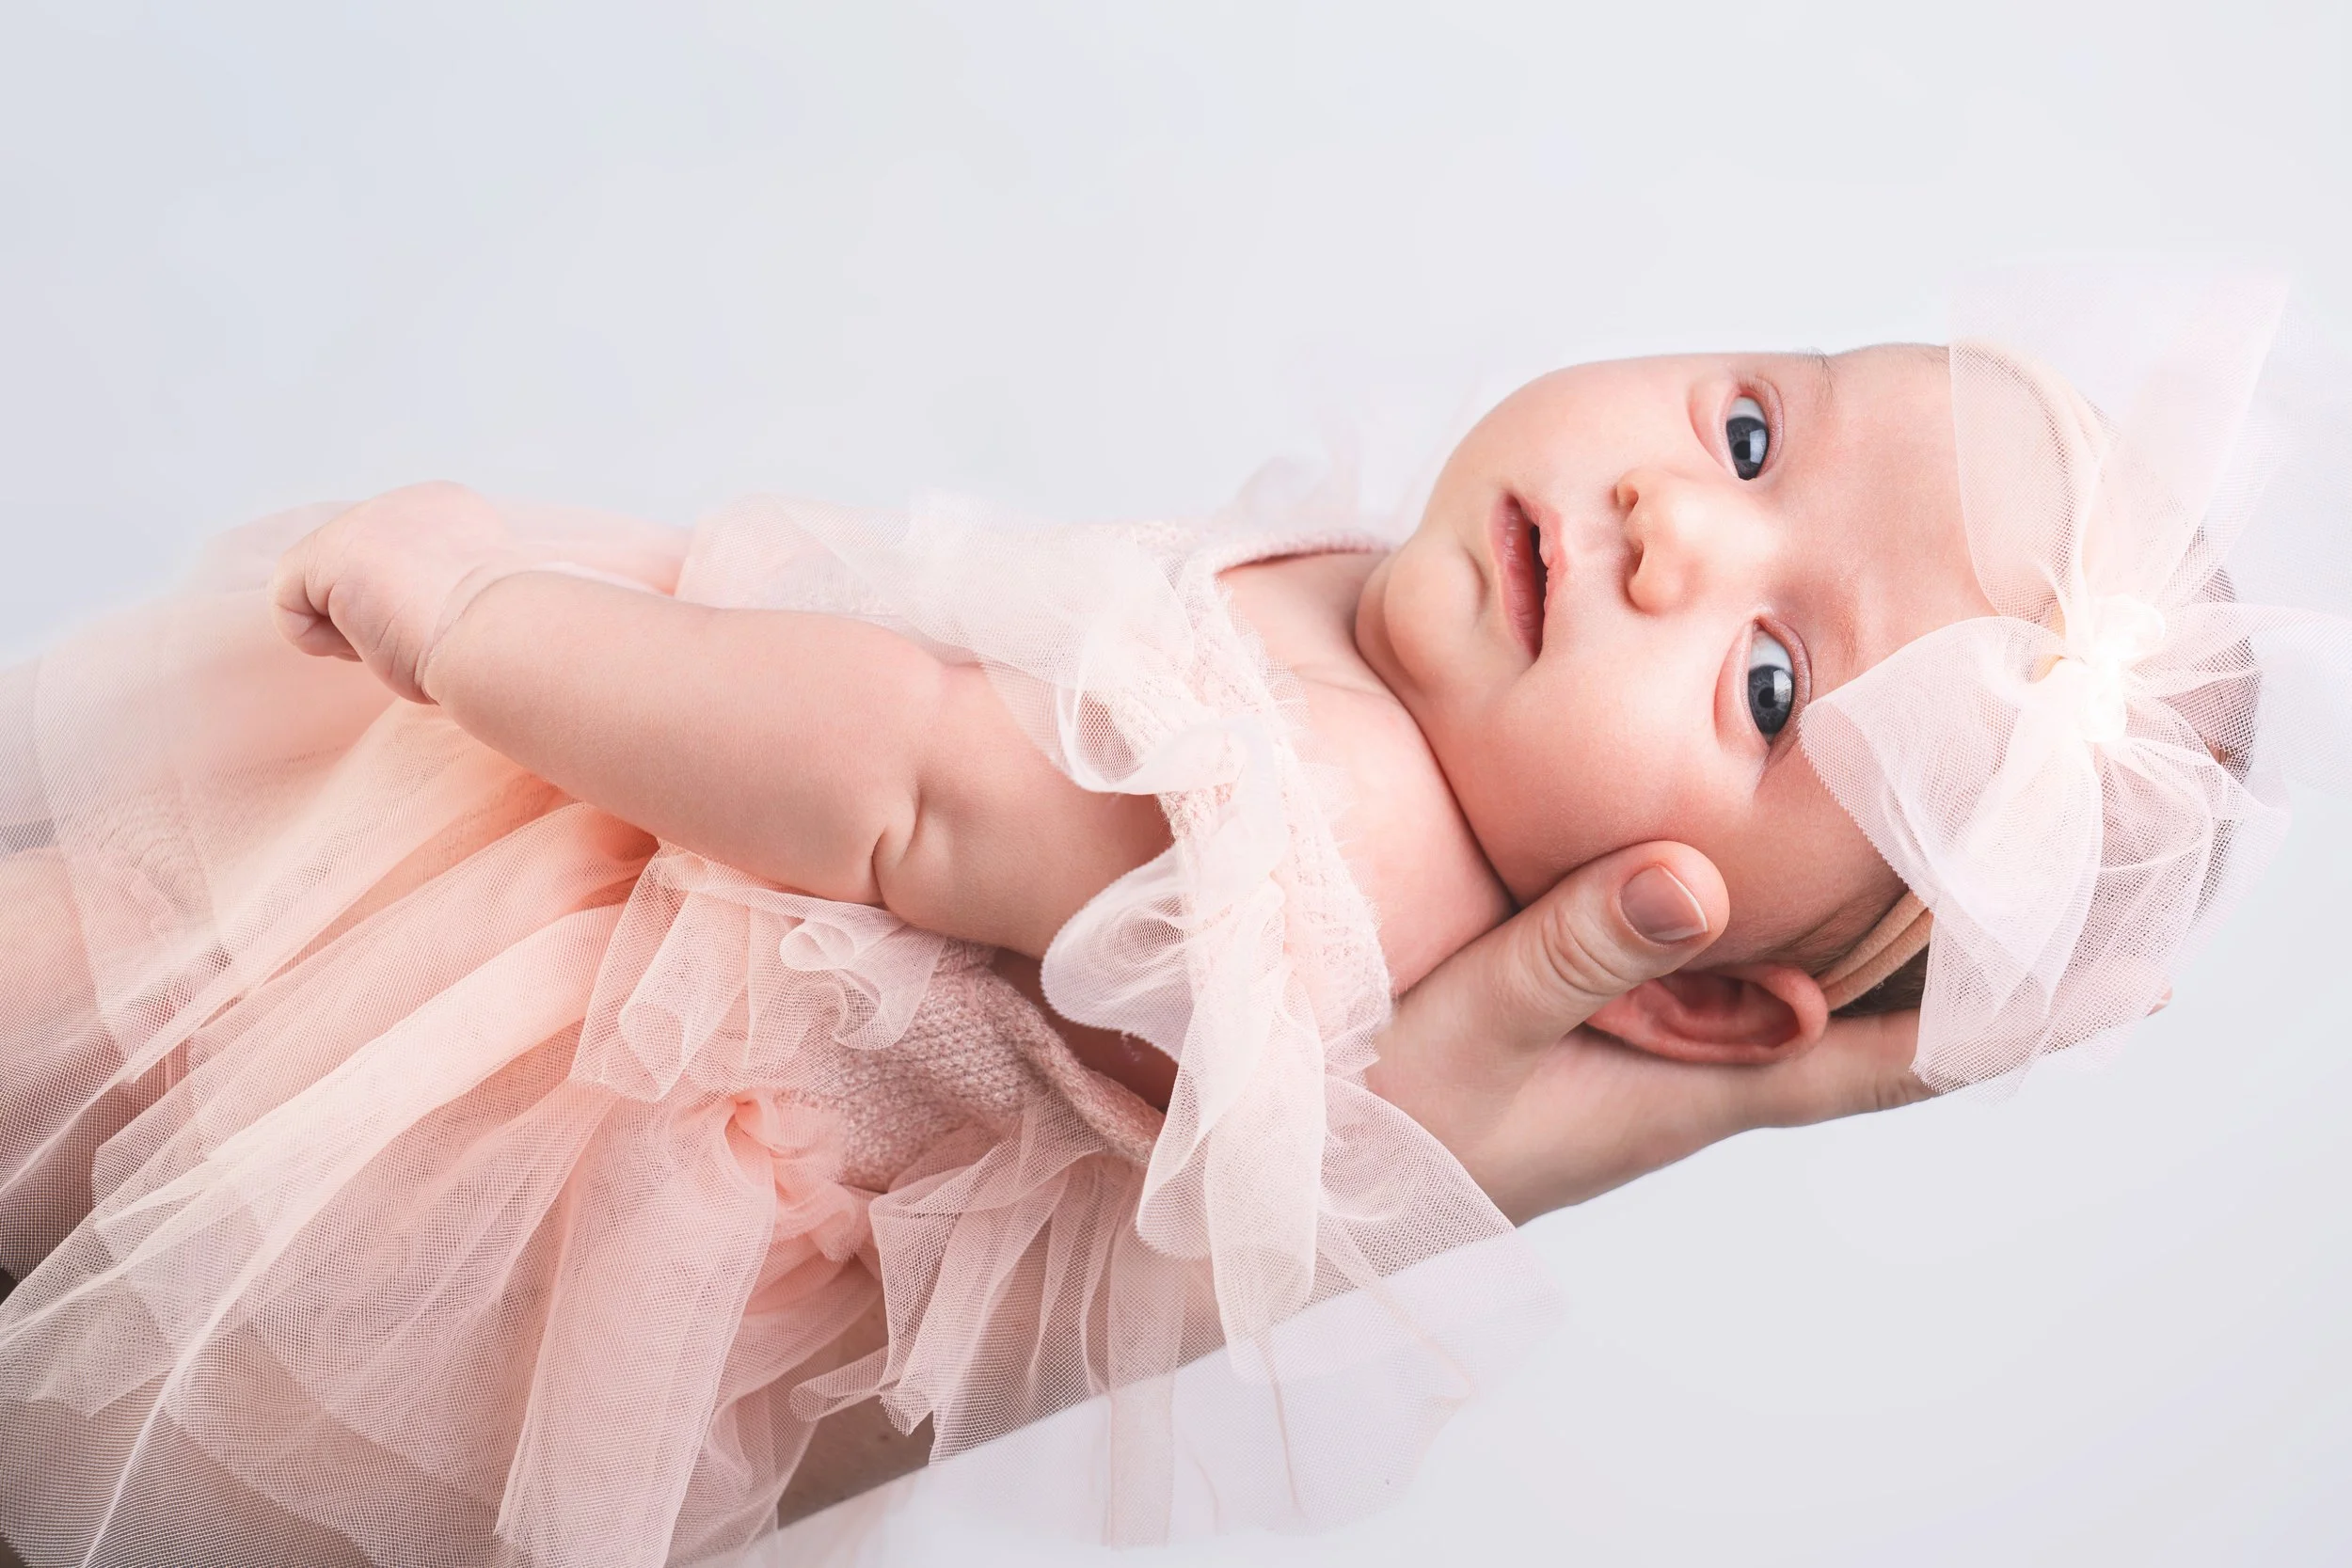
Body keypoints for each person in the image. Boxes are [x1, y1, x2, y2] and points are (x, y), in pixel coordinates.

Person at [0, 263, 2339, 1567]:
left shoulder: (1307, 835)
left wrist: (463, 622)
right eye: (1751, 436)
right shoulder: (1427, 665)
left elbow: (901, 783)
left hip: (516, 1049)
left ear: (1703, 981)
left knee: (73, 1026)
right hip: (577, 862)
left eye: (1763, 679)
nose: (1668, 533)